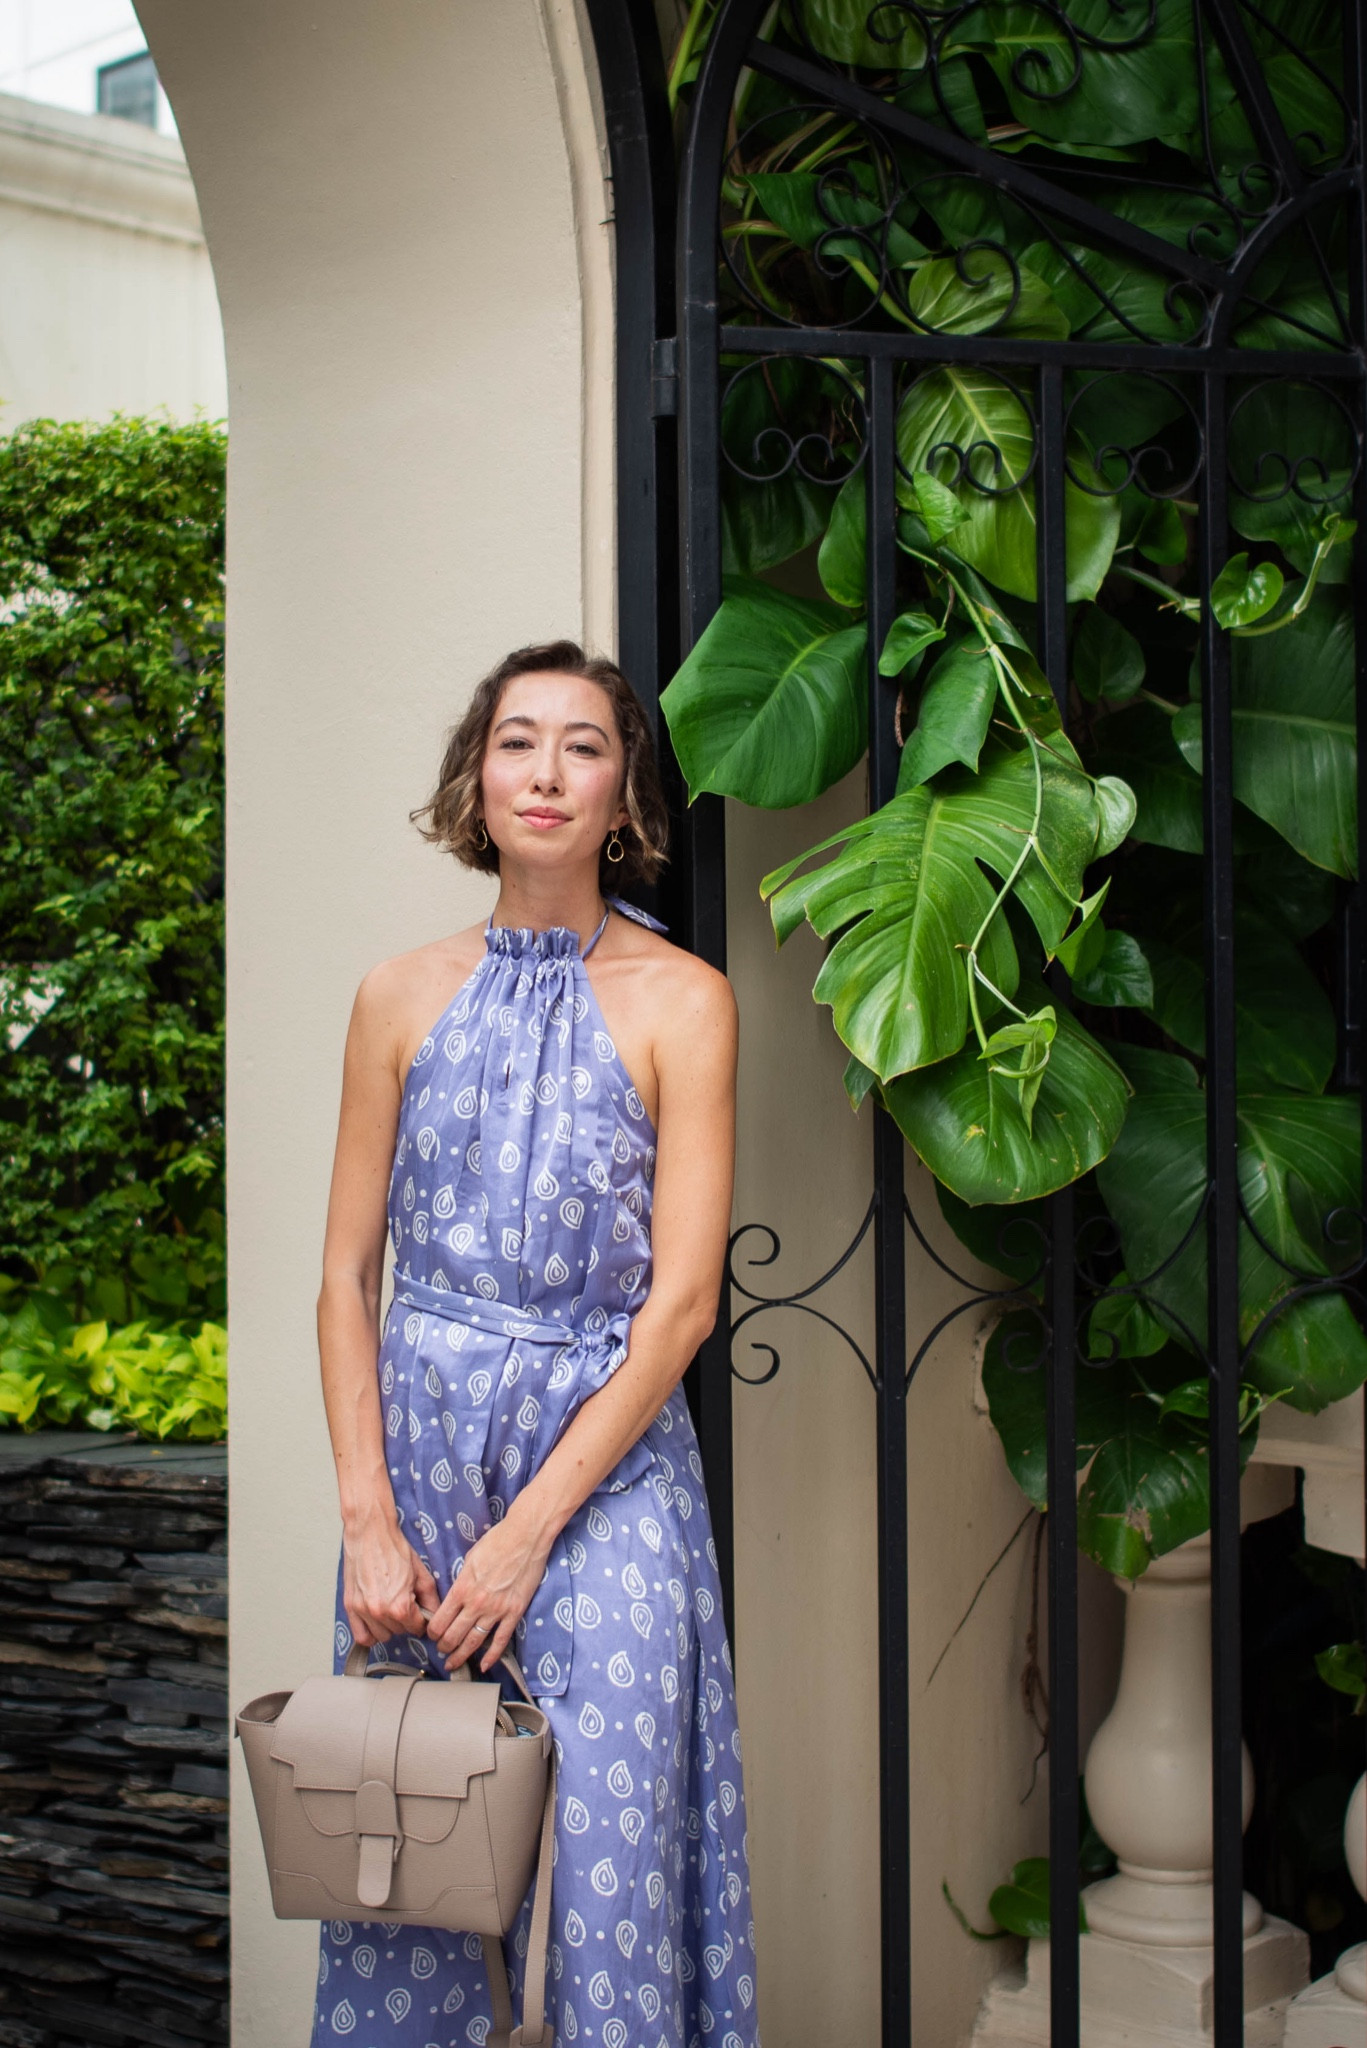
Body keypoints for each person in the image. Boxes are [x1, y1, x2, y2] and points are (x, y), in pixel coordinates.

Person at [310, 642, 758, 2048]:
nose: (546, 771)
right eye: (517, 741)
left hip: (606, 1485)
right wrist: (369, 1523)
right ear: (476, 777)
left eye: (582, 744)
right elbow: (342, 1275)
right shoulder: (395, 993)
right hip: (421, 1484)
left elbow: (681, 1306)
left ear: (624, 787)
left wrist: (527, 1536)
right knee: (415, 1878)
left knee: (615, 1873)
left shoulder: (687, 1000)